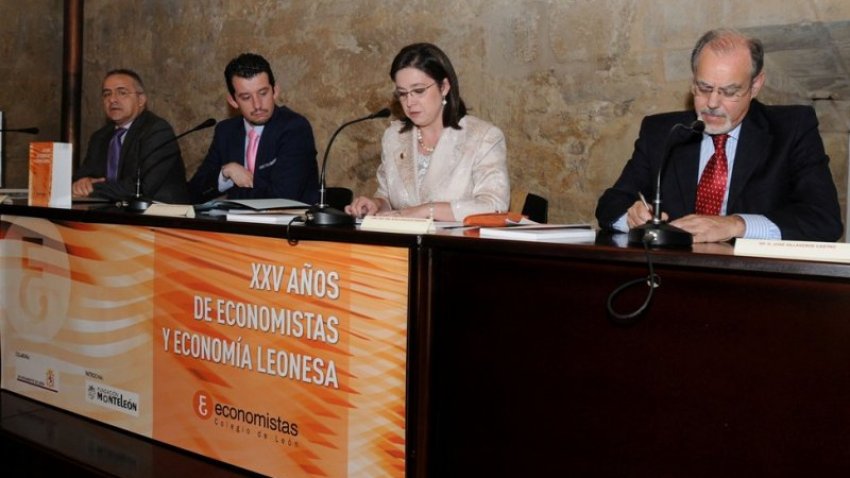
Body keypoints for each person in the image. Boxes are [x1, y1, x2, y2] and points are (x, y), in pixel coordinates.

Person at [595, 28, 842, 243]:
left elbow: (823, 220)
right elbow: (610, 204)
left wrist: (735, 225)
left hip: (755, 285)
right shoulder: (663, 132)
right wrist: (630, 216)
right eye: (703, 88)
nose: (712, 103)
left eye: (729, 91)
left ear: (755, 86)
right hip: (669, 277)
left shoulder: (791, 129)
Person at [345, 43, 509, 221]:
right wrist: (376, 204)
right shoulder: (394, 137)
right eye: (402, 93)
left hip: (456, 247)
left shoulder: (482, 137)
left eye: (419, 91)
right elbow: (387, 197)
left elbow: (494, 206)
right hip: (403, 246)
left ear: (444, 87)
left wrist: (425, 210)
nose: (409, 102)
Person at [188, 53, 319, 204]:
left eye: (263, 93)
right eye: (246, 97)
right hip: (236, 225)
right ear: (233, 101)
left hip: (289, 225)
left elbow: (283, 198)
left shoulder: (294, 128)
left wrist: (238, 192)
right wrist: (225, 174)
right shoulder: (226, 132)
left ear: (275, 91)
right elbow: (193, 192)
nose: (257, 105)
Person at [73, 69, 190, 203]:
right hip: (112, 213)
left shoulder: (157, 131)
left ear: (141, 100)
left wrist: (93, 187)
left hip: (158, 216)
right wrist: (81, 183)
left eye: (122, 93)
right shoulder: (100, 137)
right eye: (107, 94)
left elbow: (142, 188)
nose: (112, 99)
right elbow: (82, 176)